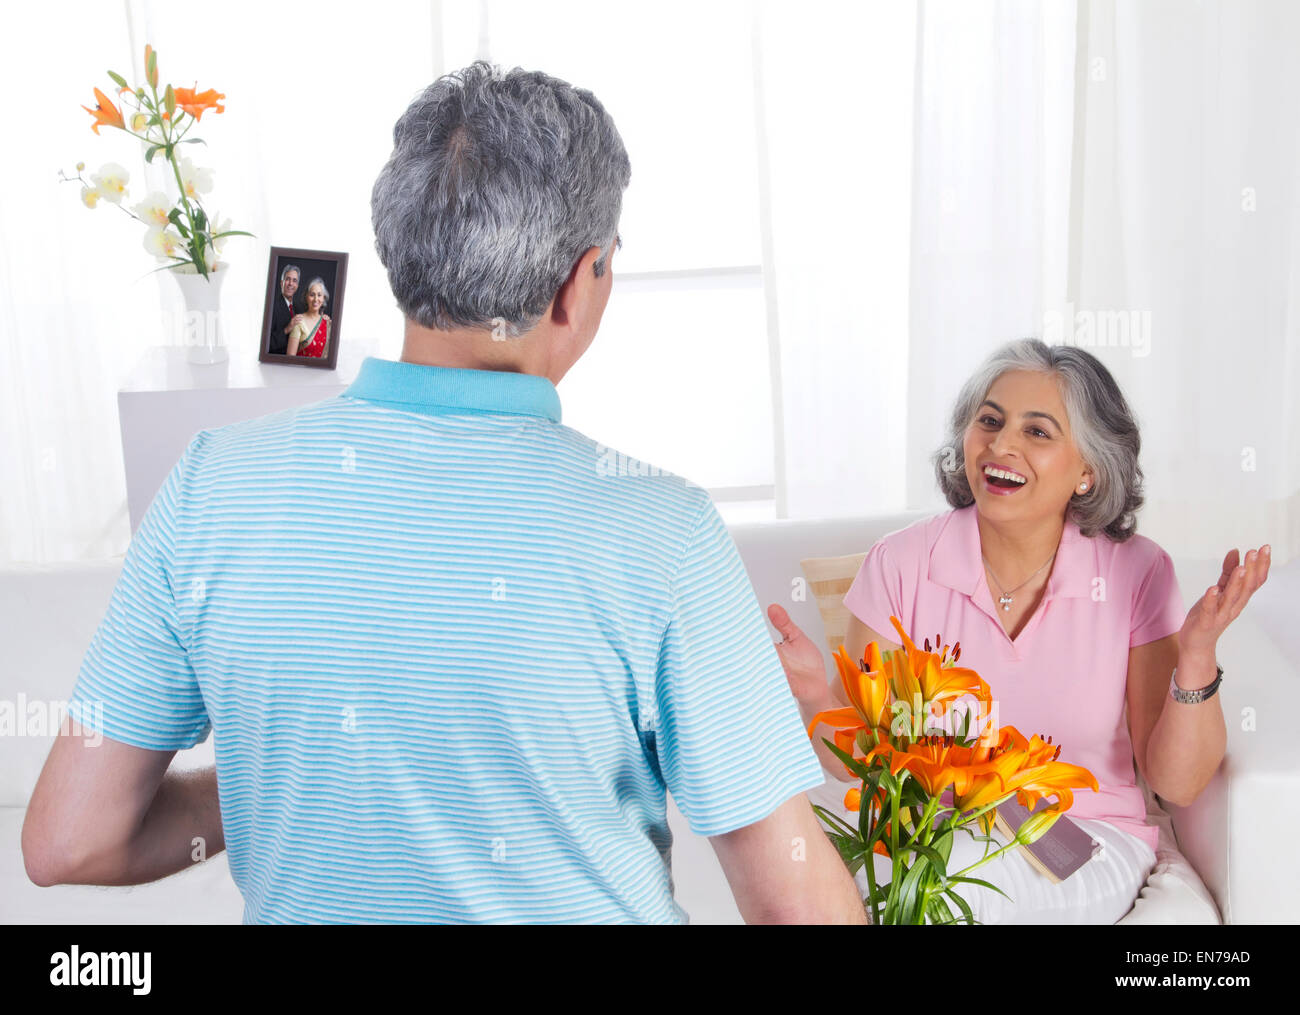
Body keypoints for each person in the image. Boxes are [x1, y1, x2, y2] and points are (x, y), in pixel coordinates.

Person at [22, 62, 864, 925]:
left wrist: (266, 777)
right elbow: (808, 914)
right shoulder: (665, 530)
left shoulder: (210, 484)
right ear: (580, 282)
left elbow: (70, 839)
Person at [770, 338, 1270, 924]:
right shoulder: (901, 563)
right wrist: (813, 702)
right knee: (806, 856)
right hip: (925, 820)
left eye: (1037, 432)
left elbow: (1178, 785)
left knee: (943, 882)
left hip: (1074, 833)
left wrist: (1197, 654)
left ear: (1088, 469)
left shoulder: (1136, 572)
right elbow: (868, 760)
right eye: (989, 420)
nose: (1001, 445)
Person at [287, 277, 330, 358]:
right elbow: (290, 359)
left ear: (323, 298)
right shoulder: (298, 321)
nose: (316, 299)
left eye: (319, 295)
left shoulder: (327, 323)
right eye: (312, 295)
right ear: (306, 297)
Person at [267, 263, 302, 355]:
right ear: (281, 282)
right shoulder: (271, 307)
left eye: (294, 281)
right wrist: (286, 329)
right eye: (288, 279)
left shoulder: (298, 308)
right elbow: (266, 343)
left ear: (297, 286)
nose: (291, 283)